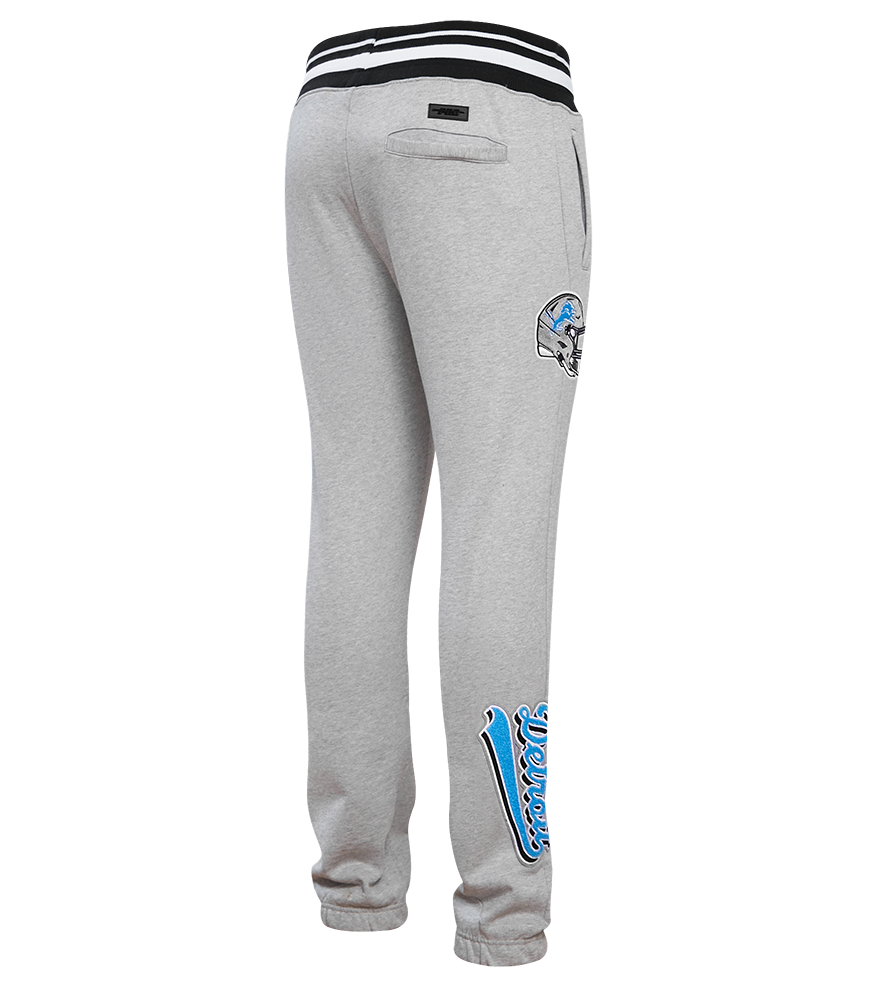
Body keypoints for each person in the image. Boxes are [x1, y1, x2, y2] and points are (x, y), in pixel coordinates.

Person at [284, 21, 591, 967]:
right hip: (481, 111)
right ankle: (504, 916)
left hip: (322, 113)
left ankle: (352, 894)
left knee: (356, 511)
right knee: (497, 516)